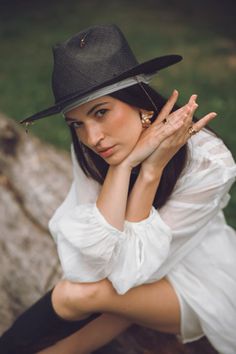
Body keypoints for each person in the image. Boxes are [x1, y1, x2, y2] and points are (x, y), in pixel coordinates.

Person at [0, 24, 235, 354]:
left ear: (141, 104)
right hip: (134, 274)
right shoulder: (95, 147)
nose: (92, 137)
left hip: (196, 281)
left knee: (77, 295)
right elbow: (90, 266)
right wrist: (123, 167)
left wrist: (150, 171)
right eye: (77, 123)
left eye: (101, 112)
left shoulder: (208, 163)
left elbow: (126, 275)